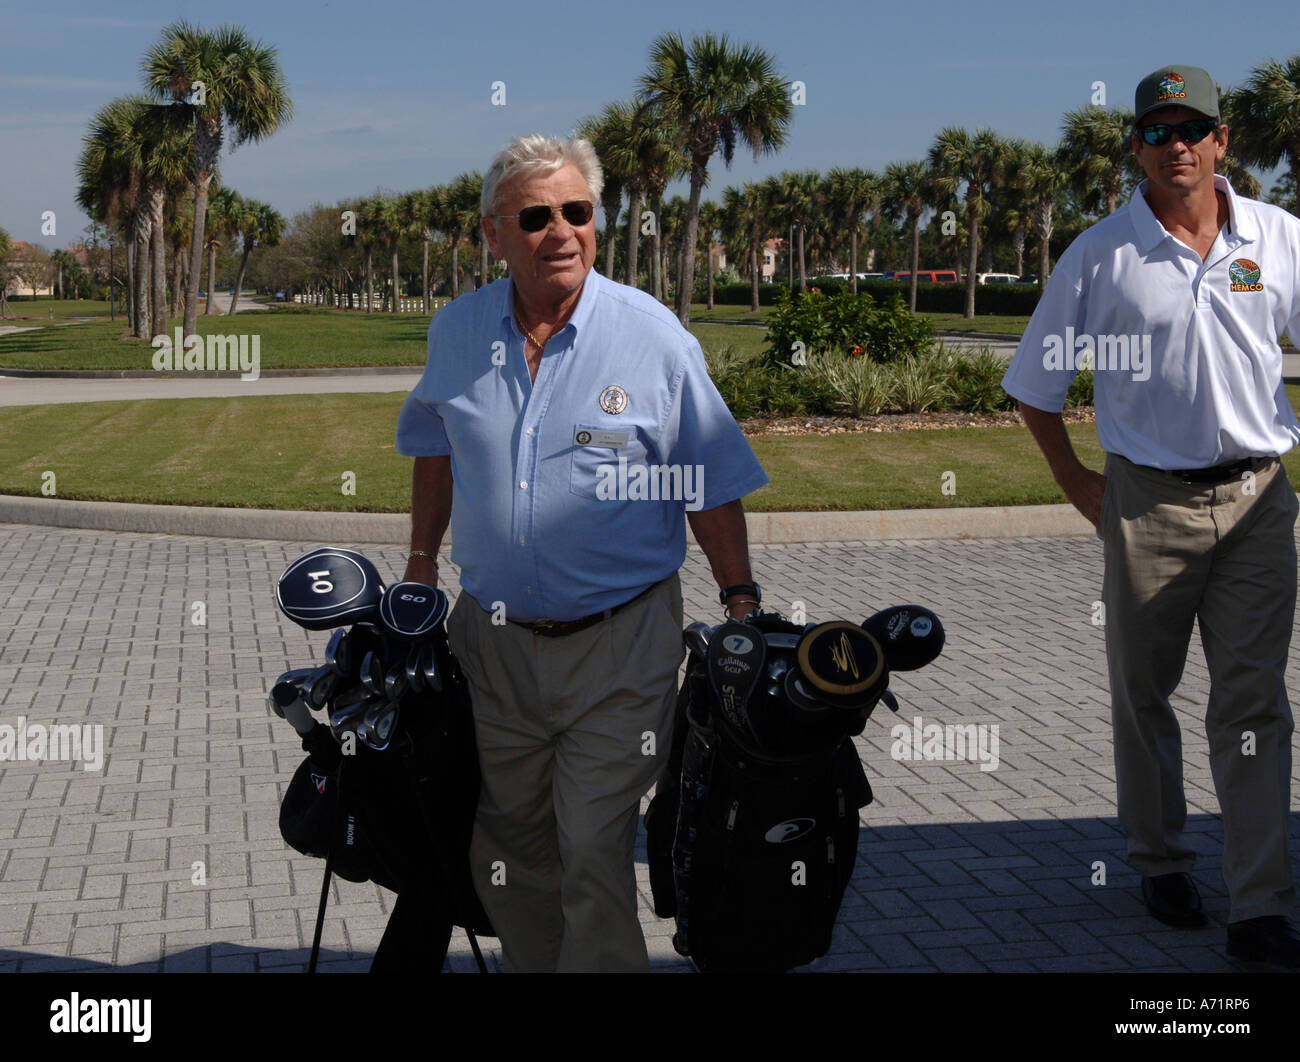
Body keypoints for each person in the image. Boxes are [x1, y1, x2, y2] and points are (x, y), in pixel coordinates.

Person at [394, 134, 769, 972]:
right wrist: (421, 563)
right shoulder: (456, 333)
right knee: (511, 849)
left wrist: (740, 600)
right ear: (494, 235)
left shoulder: (653, 337)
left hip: (620, 646)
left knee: (593, 849)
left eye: (578, 211)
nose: (561, 230)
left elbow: (706, 478)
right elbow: (434, 445)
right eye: (535, 216)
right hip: (488, 648)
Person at [1001, 65, 1300, 968]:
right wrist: (1081, 486)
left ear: (1221, 142)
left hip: (1258, 502)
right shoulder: (1102, 254)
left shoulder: (1279, 239)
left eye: (1193, 129)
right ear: (1135, 145)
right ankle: (1160, 858)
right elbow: (1034, 389)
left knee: (1253, 703)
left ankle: (1259, 902)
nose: (1177, 145)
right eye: (1158, 131)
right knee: (1143, 695)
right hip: (1145, 503)